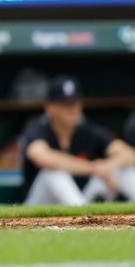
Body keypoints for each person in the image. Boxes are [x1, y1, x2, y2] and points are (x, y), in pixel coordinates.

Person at [20, 75, 135, 205]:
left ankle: (82, 214)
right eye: (65, 104)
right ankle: (80, 214)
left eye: (75, 103)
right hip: (39, 206)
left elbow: (129, 155)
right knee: (52, 173)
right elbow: (42, 157)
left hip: (80, 200)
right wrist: (93, 168)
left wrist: (107, 166)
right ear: (49, 107)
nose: (72, 109)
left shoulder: (89, 132)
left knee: (125, 170)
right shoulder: (38, 129)